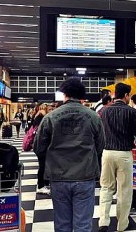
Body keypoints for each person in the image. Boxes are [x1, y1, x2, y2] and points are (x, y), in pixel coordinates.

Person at [34, 78, 105, 232]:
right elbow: (101, 145)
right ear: (81, 95)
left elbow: (38, 147)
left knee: (62, 224)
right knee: (83, 225)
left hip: (58, 176)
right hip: (85, 176)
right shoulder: (93, 117)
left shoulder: (50, 117)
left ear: (64, 94)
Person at [98, 82, 136, 232]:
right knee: (124, 190)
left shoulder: (104, 111)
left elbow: (100, 132)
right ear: (126, 95)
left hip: (107, 153)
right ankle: (122, 224)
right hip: (124, 154)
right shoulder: (131, 112)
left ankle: (103, 221)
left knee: (106, 187)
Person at [32, 103, 50, 195]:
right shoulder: (43, 117)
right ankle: (41, 186)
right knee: (43, 166)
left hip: (39, 145)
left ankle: (44, 184)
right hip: (42, 145)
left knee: (43, 165)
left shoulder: (36, 116)